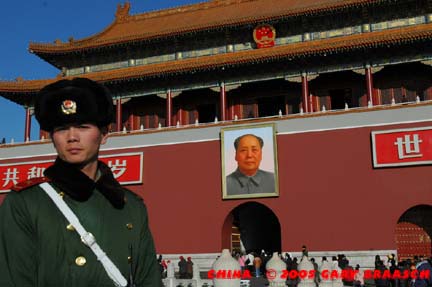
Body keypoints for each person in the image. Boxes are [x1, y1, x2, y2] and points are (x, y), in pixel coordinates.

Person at [0, 78, 162, 287]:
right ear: (52, 137)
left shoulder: (130, 206)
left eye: (82, 127)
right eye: (61, 128)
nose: (72, 137)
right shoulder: (25, 203)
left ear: (104, 134)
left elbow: (148, 280)